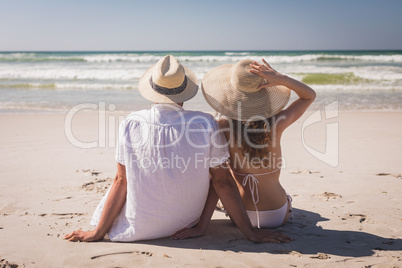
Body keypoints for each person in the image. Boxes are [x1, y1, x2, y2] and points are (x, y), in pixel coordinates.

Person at [64, 55, 292, 243]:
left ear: (152, 90)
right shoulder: (205, 123)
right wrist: (250, 233)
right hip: (187, 222)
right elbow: (221, 182)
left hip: (139, 226)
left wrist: (97, 233)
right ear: (184, 93)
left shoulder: (131, 123)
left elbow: (120, 182)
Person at [171, 58, 316, 239]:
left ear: (231, 95)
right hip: (277, 215)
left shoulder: (222, 126)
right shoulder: (276, 124)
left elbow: (218, 183)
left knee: (220, 172)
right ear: (265, 94)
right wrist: (281, 79)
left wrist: (201, 227)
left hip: (239, 216)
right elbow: (309, 95)